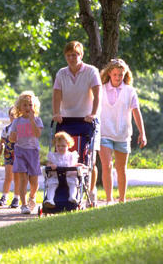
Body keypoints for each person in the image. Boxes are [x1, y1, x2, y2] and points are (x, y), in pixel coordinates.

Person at [52, 40, 101, 206]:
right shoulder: (61, 73)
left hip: (87, 119)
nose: (71, 58)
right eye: (68, 55)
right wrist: (56, 113)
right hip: (66, 119)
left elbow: (97, 93)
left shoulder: (91, 71)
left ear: (81, 55)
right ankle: (63, 195)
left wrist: (93, 113)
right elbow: (56, 94)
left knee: (89, 159)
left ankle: (90, 191)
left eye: (74, 55)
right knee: (63, 158)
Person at [99, 58, 147, 205]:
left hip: (123, 134)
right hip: (104, 132)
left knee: (121, 168)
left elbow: (136, 112)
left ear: (125, 74)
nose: (118, 77)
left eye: (120, 74)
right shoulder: (100, 89)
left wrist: (142, 133)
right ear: (109, 74)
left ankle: (122, 199)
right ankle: (108, 199)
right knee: (107, 166)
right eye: (115, 74)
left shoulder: (130, 91)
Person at [9, 90, 43, 214]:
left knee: (34, 181)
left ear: (34, 107)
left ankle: (32, 197)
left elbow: (37, 134)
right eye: (25, 105)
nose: (28, 107)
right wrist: (14, 134)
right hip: (20, 151)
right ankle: (23, 205)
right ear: (19, 107)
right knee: (23, 179)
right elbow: (12, 138)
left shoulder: (37, 120)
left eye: (30, 105)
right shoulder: (16, 122)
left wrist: (32, 120)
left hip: (33, 152)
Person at [44, 131, 85, 207]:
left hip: (69, 176)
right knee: (51, 185)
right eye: (58, 146)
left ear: (68, 145)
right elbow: (48, 164)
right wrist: (51, 165)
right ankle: (50, 200)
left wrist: (79, 165)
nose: (60, 148)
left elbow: (74, 164)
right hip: (56, 176)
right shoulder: (53, 156)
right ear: (55, 146)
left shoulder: (71, 155)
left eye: (63, 146)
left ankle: (72, 197)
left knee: (73, 183)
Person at [0, 107, 20, 208]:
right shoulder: (6, 129)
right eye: (11, 115)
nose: (13, 117)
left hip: (19, 154)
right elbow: (2, 141)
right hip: (8, 154)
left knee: (17, 177)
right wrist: (0, 149)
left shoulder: (21, 129)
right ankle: (4, 196)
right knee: (8, 177)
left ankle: (16, 198)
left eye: (15, 115)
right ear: (9, 116)